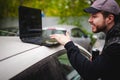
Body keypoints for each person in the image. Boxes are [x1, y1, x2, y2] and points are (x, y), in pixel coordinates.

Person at [50, 0, 120, 80]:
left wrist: (68, 44)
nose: (89, 20)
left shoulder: (116, 45)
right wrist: (99, 61)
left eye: (94, 16)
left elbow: (90, 72)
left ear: (110, 18)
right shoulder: (114, 36)